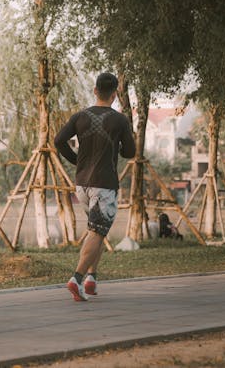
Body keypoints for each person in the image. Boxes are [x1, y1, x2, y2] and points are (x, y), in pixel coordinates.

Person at [54, 72, 135, 301]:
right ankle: (77, 279)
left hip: (82, 184)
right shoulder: (119, 120)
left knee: (95, 231)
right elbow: (130, 152)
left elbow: (59, 140)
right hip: (104, 184)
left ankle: (92, 279)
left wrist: (76, 160)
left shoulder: (79, 116)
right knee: (98, 232)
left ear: (95, 90)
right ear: (115, 94)